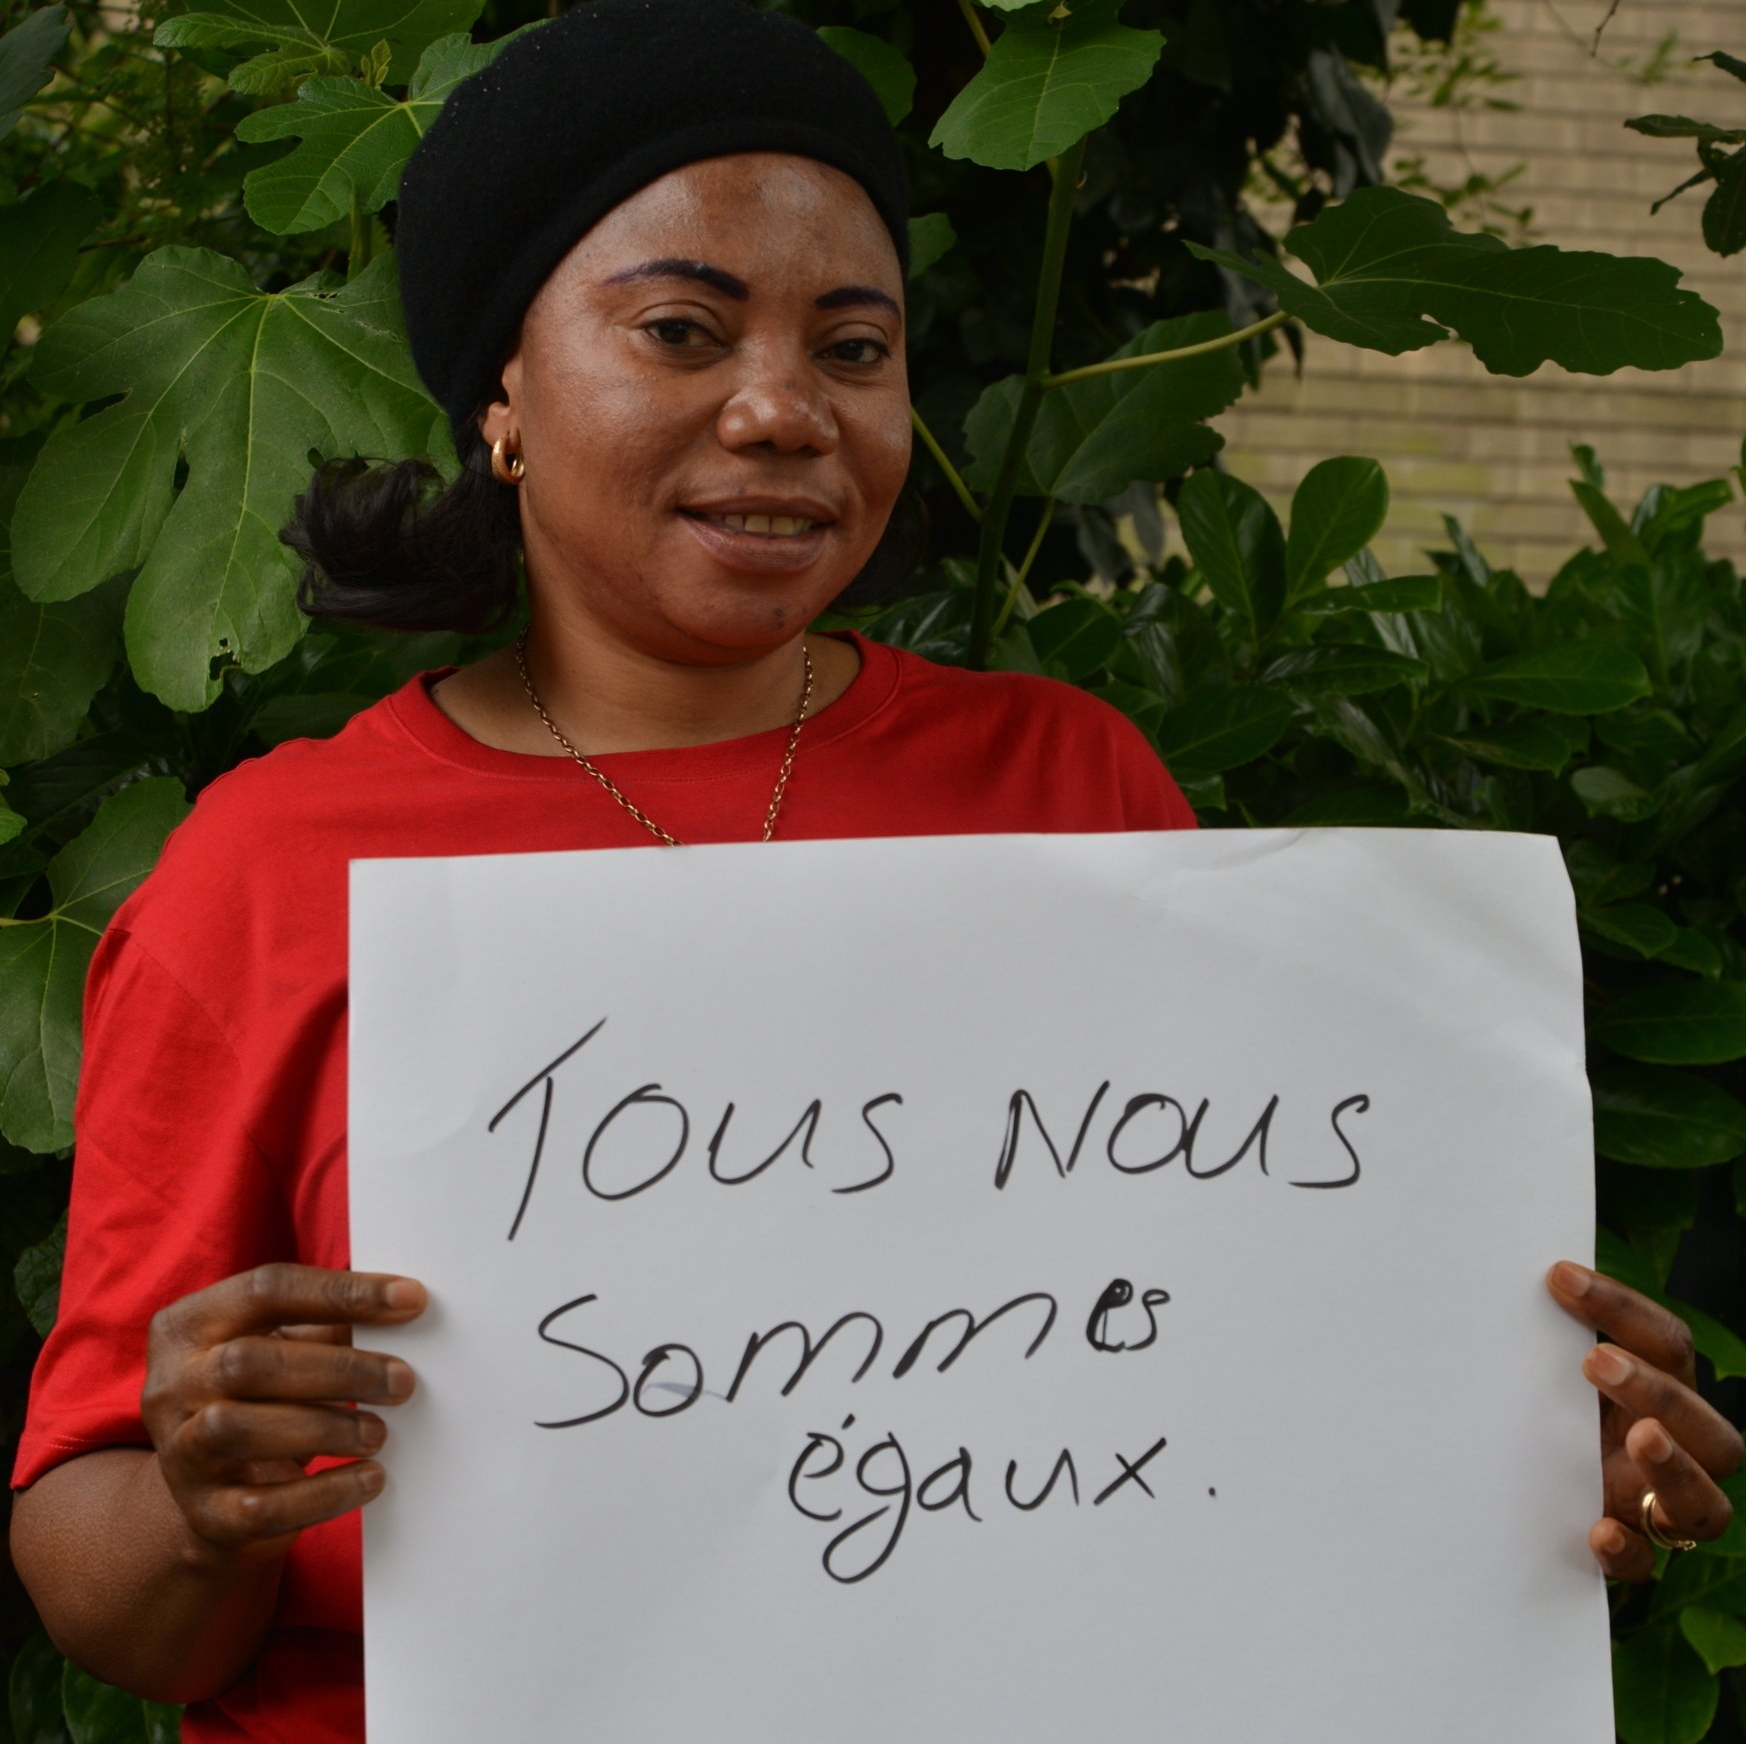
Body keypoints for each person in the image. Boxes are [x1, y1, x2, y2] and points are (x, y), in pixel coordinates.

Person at [8, 2, 1739, 1739]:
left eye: (853, 347)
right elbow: (112, 1604)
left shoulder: (1064, 782)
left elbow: (1231, 1383)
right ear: (503, 397)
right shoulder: (264, 871)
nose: (780, 411)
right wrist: (194, 1500)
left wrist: (1519, 1444)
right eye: (680, 331)